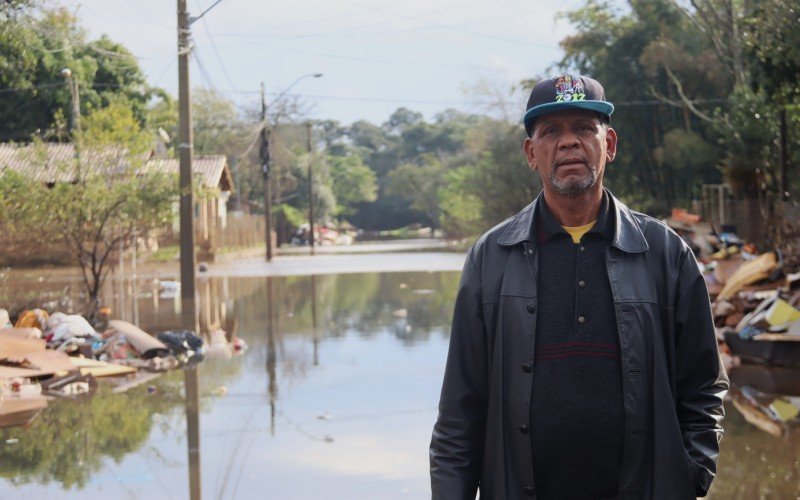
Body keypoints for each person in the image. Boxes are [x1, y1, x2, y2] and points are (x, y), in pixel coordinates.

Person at [429, 74, 728, 500]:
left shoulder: (665, 254)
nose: (569, 142)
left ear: (609, 144)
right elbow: (460, 410)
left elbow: (702, 385)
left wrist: (692, 473)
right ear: (532, 153)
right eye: (552, 131)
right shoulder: (491, 259)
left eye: (584, 129)